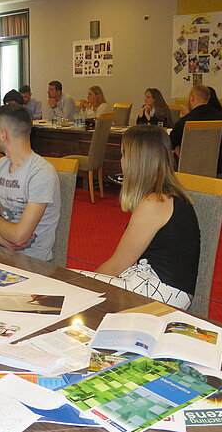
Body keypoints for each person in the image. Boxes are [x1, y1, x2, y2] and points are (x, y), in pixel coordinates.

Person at [81, 125, 200, 308]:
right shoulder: (168, 195)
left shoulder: (154, 203)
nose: (121, 161)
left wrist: (80, 288)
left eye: (123, 154)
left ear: (137, 161)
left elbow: (116, 266)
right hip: (164, 287)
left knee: (73, 283)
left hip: (161, 291)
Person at [0, 104, 60, 261]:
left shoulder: (41, 173)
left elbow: (19, 237)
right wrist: (2, 240)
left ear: (3, 135)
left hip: (31, 262)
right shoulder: (0, 165)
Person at [170, 84, 222, 175]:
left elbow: (170, 142)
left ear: (192, 98)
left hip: (190, 168)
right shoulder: (220, 116)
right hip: (216, 167)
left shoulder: (187, 120)